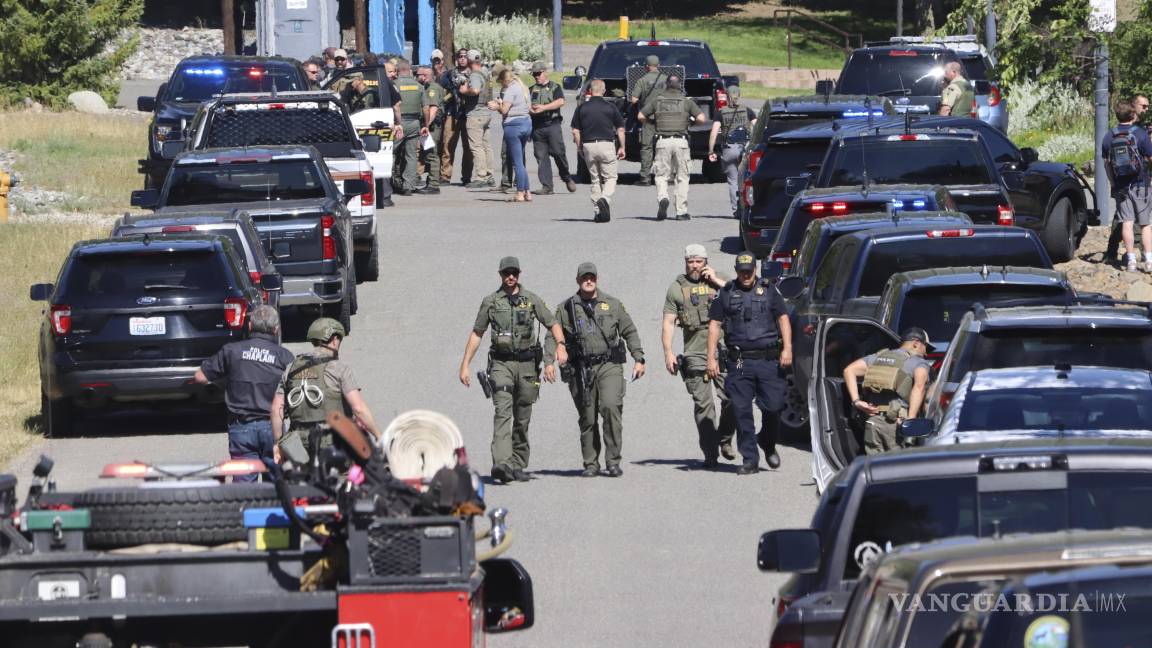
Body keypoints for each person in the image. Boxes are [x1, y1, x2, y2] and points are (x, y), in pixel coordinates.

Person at [459, 257, 568, 484]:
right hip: (501, 364)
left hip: (527, 365)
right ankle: (501, 463)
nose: (511, 277)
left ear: (519, 274)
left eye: (514, 273)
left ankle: (518, 463)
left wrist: (560, 345)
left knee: (522, 416)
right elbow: (477, 333)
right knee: (502, 411)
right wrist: (465, 365)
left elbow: (553, 322)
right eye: (506, 273)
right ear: (500, 274)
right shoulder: (490, 302)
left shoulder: (531, 300)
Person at [554, 262, 645, 478]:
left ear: (597, 278)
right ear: (578, 280)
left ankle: (613, 461)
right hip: (581, 368)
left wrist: (639, 358)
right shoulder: (566, 308)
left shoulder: (611, 304)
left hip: (609, 364)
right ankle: (591, 463)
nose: (588, 281)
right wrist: (552, 358)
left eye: (592, 277)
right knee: (587, 417)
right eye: (584, 277)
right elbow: (553, 333)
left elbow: (629, 330)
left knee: (611, 407)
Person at [706, 251, 793, 475]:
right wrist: (711, 358)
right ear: (736, 271)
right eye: (741, 271)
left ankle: (767, 440)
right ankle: (750, 459)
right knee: (741, 409)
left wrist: (788, 348)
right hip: (741, 361)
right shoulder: (726, 293)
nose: (745, 275)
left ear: (755, 270)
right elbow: (715, 325)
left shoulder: (770, 290)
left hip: (768, 359)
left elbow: (783, 318)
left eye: (749, 271)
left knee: (774, 406)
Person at [193, 305, 294, 482]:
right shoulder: (285, 357)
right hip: (273, 429)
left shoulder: (232, 351)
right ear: (276, 329)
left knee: (244, 491)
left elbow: (200, 376)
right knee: (277, 489)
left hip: (241, 428)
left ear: (249, 326)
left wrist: (225, 383)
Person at [269, 318, 383, 471]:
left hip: (298, 444)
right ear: (334, 340)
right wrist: (378, 434)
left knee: (304, 484)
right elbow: (358, 408)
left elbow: (277, 410)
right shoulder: (339, 369)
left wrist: (279, 443)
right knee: (340, 485)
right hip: (332, 441)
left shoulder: (291, 368)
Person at [662, 245, 737, 468]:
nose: (694, 266)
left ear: (706, 261)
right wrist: (668, 352)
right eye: (690, 261)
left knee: (732, 398)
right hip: (695, 352)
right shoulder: (677, 288)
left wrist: (716, 281)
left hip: (723, 350)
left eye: (698, 261)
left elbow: (740, 296)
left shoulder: (721, 280)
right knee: (703, 405)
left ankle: (724, 438)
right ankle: (710, 453)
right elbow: (668, 322)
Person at [841, 328, 933, 454]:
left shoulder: (879, 357)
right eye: (926, 347)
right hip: (896, 423)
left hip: (872, 420)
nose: (926, 353)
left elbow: (849, 370)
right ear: (916, 343)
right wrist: (910, 421)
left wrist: (857, 401)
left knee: (874, 465)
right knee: (896, 467)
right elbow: (919, 387)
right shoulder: (919, 362)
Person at [638, 75, 706, 221]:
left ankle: (663, 197)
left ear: (666, 85)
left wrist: (652, 123)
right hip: (681, 142)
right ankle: (681, 211)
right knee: (682, 176)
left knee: (661, 175)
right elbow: (701, 118)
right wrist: (689, 124)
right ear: (679, 86)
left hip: (663, 142)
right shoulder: (686, 102)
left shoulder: (657, 101)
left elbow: (640, 115)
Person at [1102, 98, 1152, 272]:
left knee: (1127, 223)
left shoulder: (1109, 135)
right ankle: (1149, 261)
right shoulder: (1140, 133)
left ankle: (1130, 261)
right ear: (1132, 113)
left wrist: (1113, 182)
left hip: (1121, 186)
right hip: (1141, 184)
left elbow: (1107, 164)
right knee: (1145, 224)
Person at [571, 78, 625, 223]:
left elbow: (575, 131)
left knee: (595, 180)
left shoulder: (582, 108)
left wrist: (579, 147)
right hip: (606, 144)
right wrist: (622, 147)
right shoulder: (611, 107)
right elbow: (620, 128)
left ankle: (597, 212)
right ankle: (604, 198)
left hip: (589, 145)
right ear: (604, 91)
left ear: (590, 91)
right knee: (610, 178)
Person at [528, 61, 576, 195]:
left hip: (552, 124)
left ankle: (566, 177)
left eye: (538, 73)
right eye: (534, 74)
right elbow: (526, 105)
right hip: (537, 127)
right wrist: (531, 110)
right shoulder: (531, 89)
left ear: (545, 72)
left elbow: (561, 101)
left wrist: (543, 108)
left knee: (558, 152)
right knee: (541, 156)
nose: (536, 76)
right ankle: (547, 186)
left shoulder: (555, 87)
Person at [708, 85, 757, 217]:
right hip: (745, 149)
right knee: (748, 179)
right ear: (739, 95)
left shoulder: (721, 112)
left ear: (727, 96)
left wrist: (711, 150)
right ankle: (748, 207)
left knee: (733, 181)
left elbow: (714, 133)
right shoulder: (747, 110)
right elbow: (757, 126)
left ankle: (736, 211)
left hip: (729, 149)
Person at [488, 68, 533, 202]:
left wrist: (496, 105)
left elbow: (504, 110)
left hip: (514, 126)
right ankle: (527, 191)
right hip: (526, 123)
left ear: (504, 80)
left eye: (501, 83)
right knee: (521, 161)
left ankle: (519, 193)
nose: (501, 85)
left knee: (517, 162)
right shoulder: (522, 87)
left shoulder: (510, 90)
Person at [392, 60, 428, 195]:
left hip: (398, 123)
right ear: (409, 70)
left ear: (397, 70)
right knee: (411, 155)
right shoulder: (419, 86)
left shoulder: (394, 85)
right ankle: (409, 186)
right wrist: (426, 125)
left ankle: (390, 184)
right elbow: (426, 108)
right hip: (414, 123)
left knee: (391, 153)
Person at [460, 50, 495, 188]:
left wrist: (463, 91)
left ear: (469, 61)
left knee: (476, 146)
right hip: (486, 112)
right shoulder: (486, 72)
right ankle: (489, 175)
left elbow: (475, 90)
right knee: (486, 146)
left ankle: (481, 176)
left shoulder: (475, 75)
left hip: (476, 113)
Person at [439, 49, 471, 185]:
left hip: (468, 114)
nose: (462, 59)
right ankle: (445, 176)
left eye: (465, 56)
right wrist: (453, 87)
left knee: (468, 147)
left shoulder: (474, 74)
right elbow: (441, 84)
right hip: (452, 113)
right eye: (460, 56)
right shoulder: (450, 74)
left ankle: (467, 177)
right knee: (448, 145)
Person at [630, 55, 663, 185]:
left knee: (646, 147)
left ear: (646, 67)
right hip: (665, 118)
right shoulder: (667, 80)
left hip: (648, 118)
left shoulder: (642, 80)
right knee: (665, 147)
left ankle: (645, 177)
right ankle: (667, 175)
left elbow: (633, 99)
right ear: (659, 66)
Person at [415, 64, 443, 194]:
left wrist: (426, 126)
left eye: (418, 75)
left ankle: (433, 184)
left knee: (432, 154)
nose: (416, 77)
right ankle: (430, 182)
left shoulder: (433, 89)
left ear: (425, 76)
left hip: (432, 127)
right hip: (429, 126)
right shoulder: (427, 87)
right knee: (427, 154)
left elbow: (433, 109)